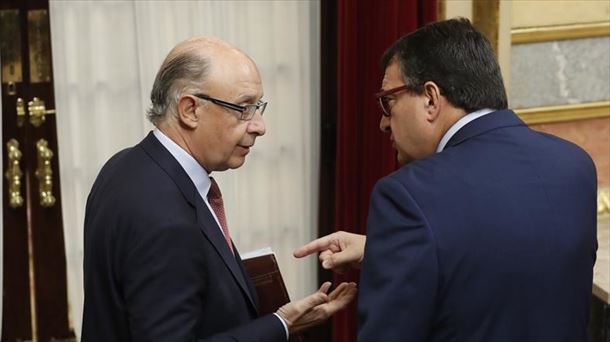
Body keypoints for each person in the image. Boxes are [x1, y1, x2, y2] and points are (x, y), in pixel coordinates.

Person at [295, 18, 597, 342]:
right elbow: (509, 254)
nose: (383, 122)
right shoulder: (574, 165)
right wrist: (383, 249)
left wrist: (393, 246)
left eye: (388, 101)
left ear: (430, 98)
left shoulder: (407, 194)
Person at [82, 36, 356, 341]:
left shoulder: (125, 166)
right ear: (190, 110)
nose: (260, 126)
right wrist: (280, 324)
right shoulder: (164, 215)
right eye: (243, 108)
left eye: (258, 106)